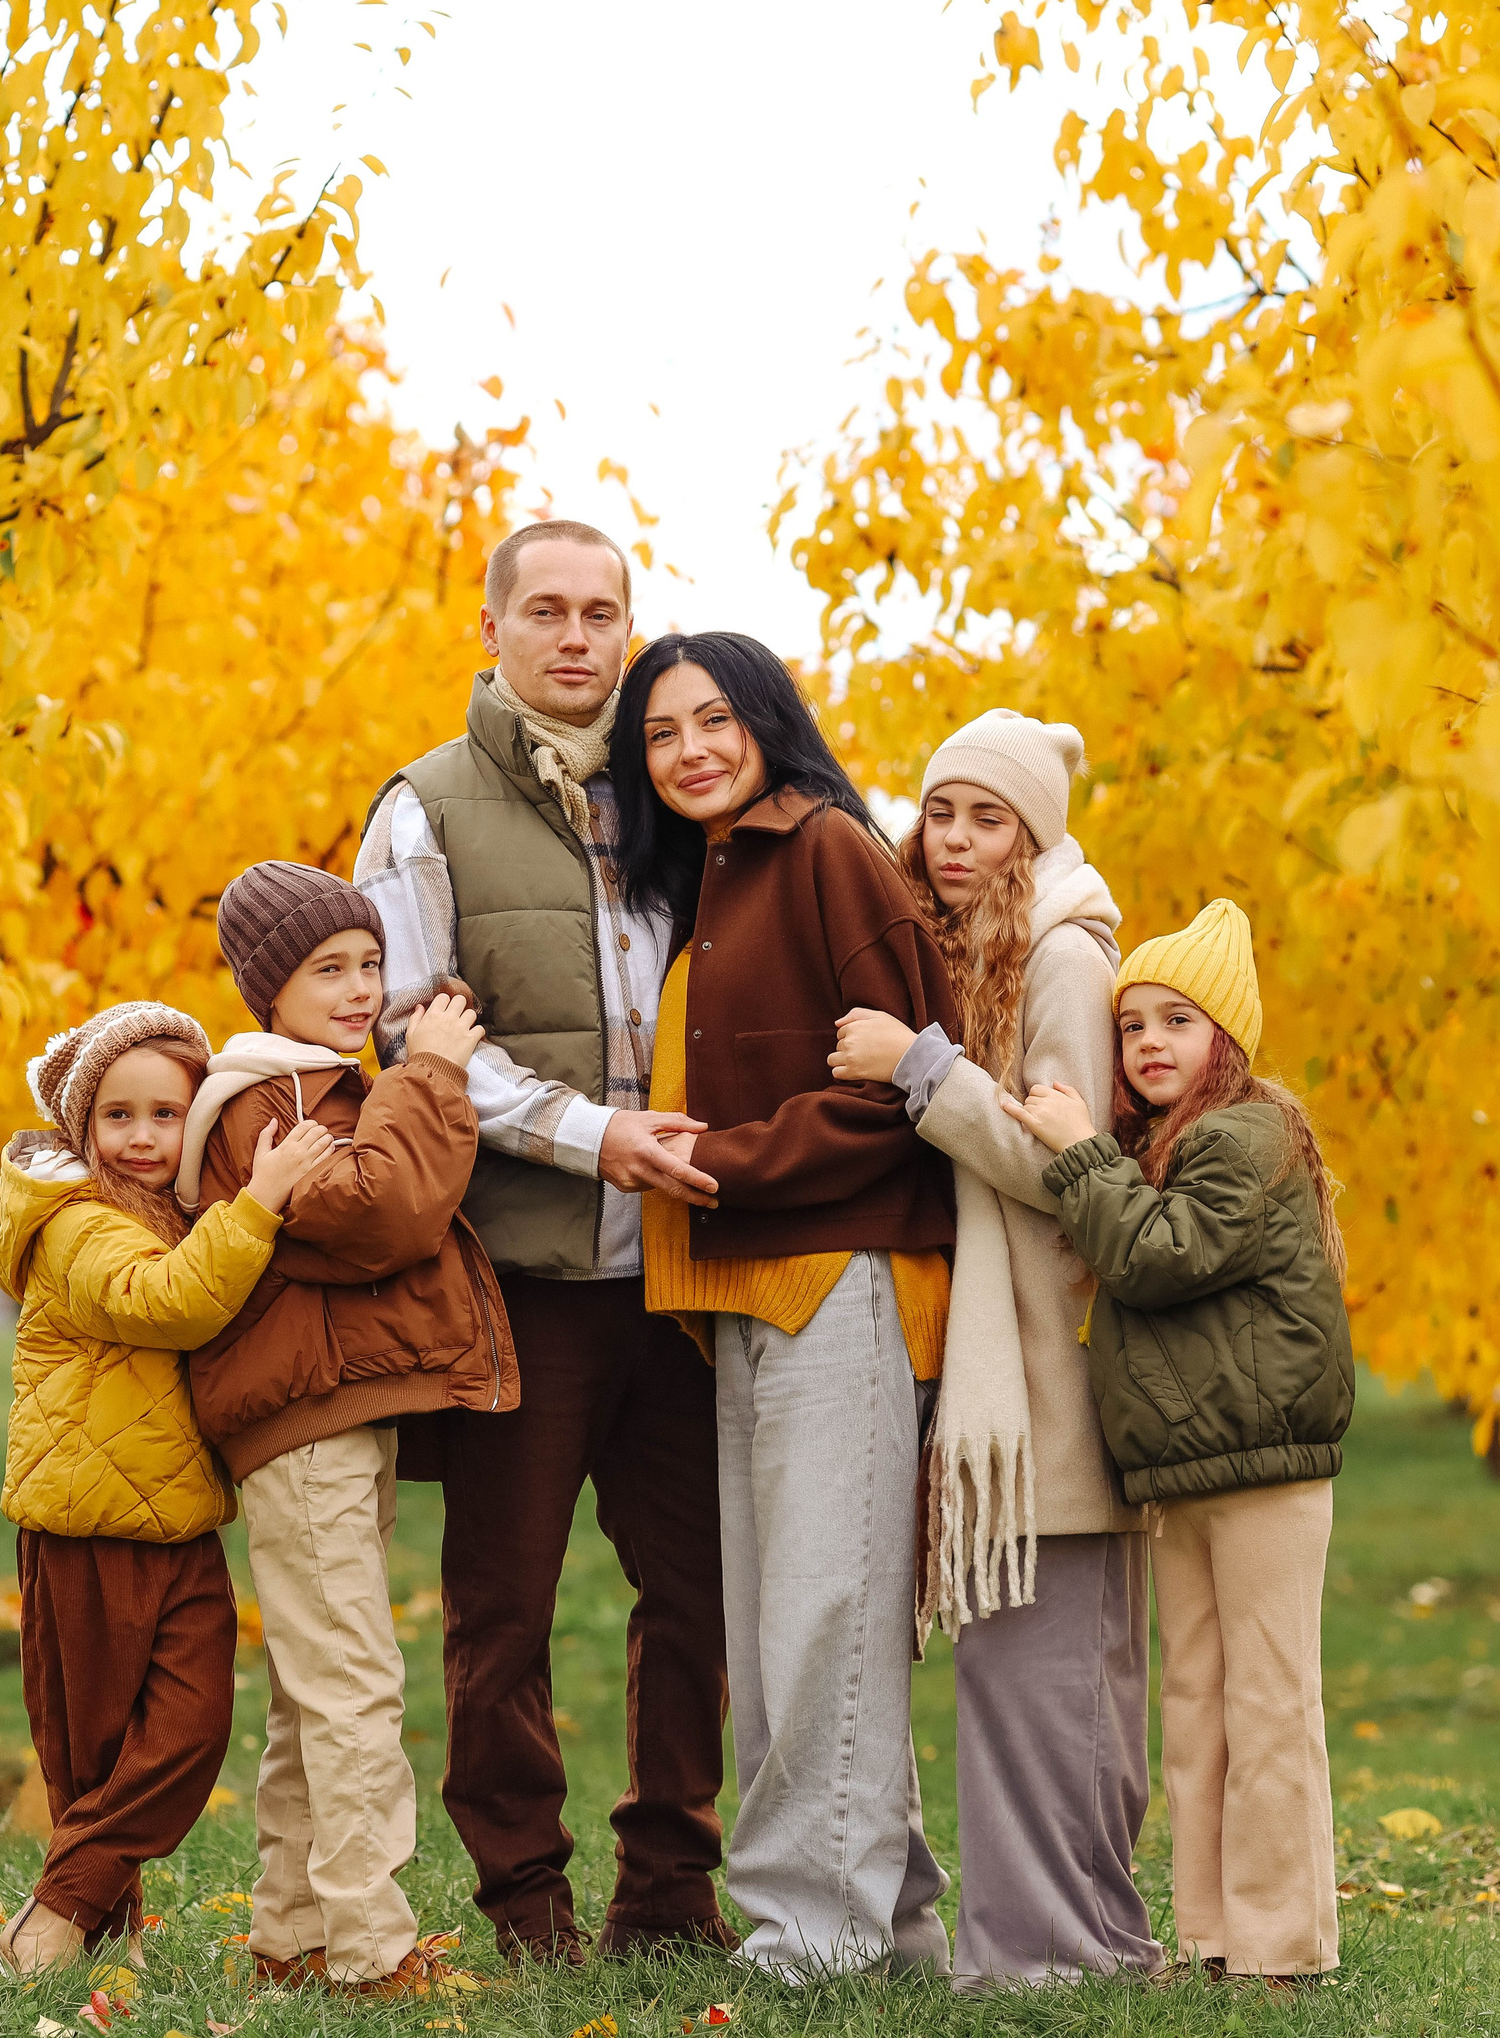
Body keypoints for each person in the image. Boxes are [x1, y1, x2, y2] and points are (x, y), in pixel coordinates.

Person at [354, 520, 730, 1964]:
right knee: (501, 1611)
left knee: (696, 1591)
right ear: (495, 626)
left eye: (603, 614)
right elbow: (414, 1030)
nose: (578, 638)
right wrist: (594, 1135)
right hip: (516, 1280)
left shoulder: (681, 795)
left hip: (686, 1283)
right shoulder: (426, 805)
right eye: (549, 612)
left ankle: (669, 1888)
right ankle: (525, 1901)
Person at [614, 629, 957, 1980]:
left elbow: (899, 1084)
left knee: (823, 1612)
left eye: (715, 719)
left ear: (768, 720)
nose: (691, 746)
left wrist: (716, 1165)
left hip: (840, 1272)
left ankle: (812, 1931)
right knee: (792, 1620)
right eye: (662, 732)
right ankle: (897, 1923)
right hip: (748, 1283)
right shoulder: (706, 875)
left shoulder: (823, 847)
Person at [826, 710, 1164, 1986]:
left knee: (1058, 1673)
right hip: (992, 1355)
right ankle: (1032, 1942)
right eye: (942, 812)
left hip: (1054, 1356)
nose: (955, 840)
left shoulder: (1066, 957)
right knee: (1018, 1671)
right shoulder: (969, 949)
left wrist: (924, 1073)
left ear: (1036, 831)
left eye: (988, 818)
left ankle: (1064, 1951)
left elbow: (1069, 1170)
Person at [174, 863, 516, 1999]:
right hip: (299, 1428)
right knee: (356, 1681)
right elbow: (386, 1211)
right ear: (269, 988)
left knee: (314, 1685)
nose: (361, 988)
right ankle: (373, 1951)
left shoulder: (321, 1091)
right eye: (329, 970)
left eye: (370, 963)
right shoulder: (262, 1106)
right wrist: (432, 1072)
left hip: (333, 1415)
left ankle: (293, 1932)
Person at [1003, 898, 1354, 1986]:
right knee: (1197, 1701)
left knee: (1267, 1699)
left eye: (1178, 1022)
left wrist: (1073, 1154)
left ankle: (1281, 1941)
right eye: (1133, 1025)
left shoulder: (1245, 1135)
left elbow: (1158, 1256)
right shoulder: (1161, 1145)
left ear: (1226, 1041)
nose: (1150, 1042)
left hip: (1266, 1467)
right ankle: (1209, 1933)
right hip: (1190, 1467)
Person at [0, 1000, 334, 1977]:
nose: (142, 1137)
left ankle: (63, 1912)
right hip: (86, 1521)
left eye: (165, 1115)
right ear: (79, 1127)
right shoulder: (74, 1223)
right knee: (92, 1748)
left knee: (188, 1728)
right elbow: (168, 1301)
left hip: (178, 1519)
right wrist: (259, 1201)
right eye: (117, 1116)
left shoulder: (174, 1210)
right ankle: (87, 1930)